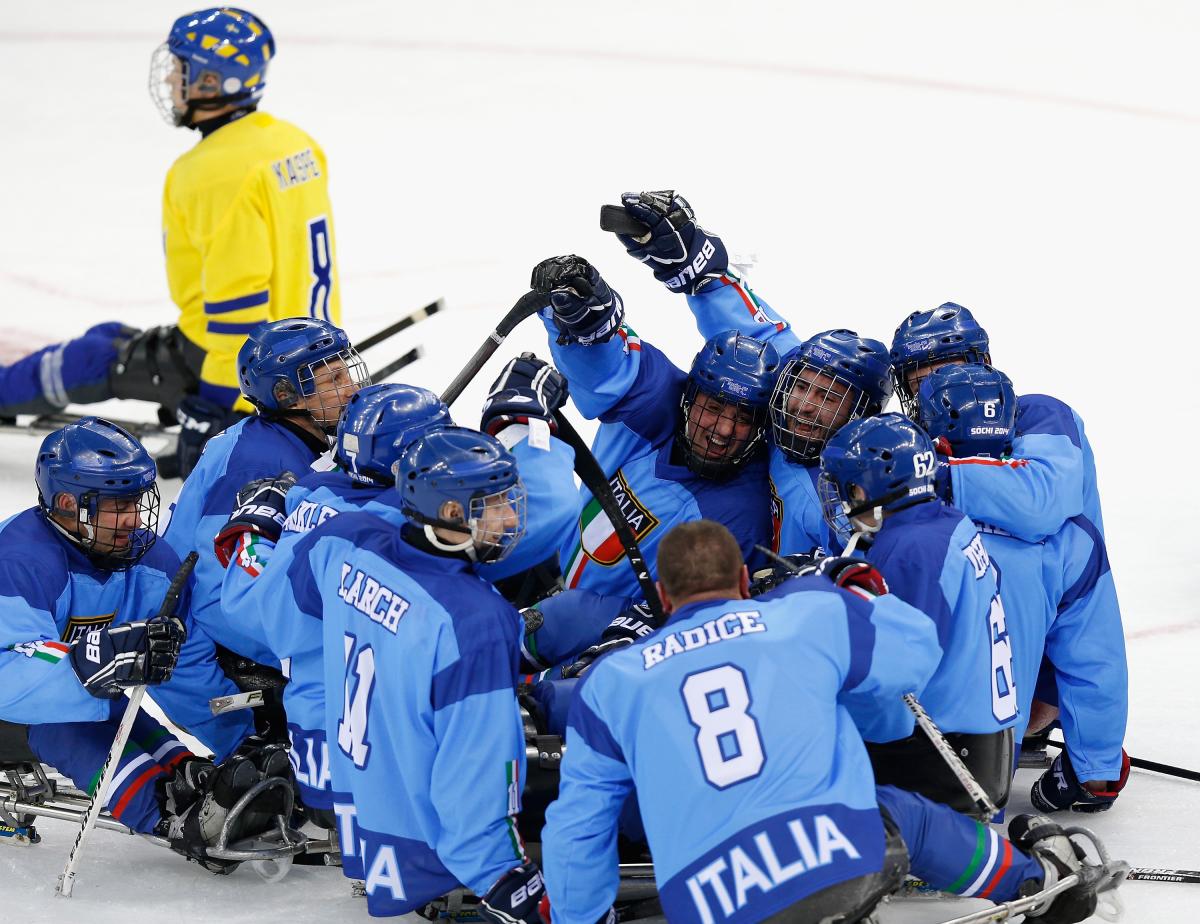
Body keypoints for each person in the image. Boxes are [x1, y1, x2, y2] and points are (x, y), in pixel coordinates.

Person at [541, 520, 1116, 924]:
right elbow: (916, 652)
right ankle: (1038, 884)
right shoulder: (807, 614)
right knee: (902, 815)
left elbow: (577, 830)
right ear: (745, 582)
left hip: (709, 901)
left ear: (664, 598)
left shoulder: (612, 683)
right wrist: (862, 588)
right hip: (839, 861)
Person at [234, 426, 544, 919]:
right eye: (494, 504)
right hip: (435, 848)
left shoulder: (347, 538)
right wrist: (502, 876)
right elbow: (479, 772)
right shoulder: (476, 619)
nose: (509, 518)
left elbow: (276, 616)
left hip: (360, 807)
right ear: (449, 515)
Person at [0, 418, 284, 870]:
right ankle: (172, 816)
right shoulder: (19, 560)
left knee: (128, 725)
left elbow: (185, 670)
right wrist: (89, 662)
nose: (134, 519)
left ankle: (196, 784)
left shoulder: (151, 561)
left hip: (80, 702)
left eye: (137, 502)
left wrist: (242, 741)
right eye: (117, 505)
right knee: (74, 728)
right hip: (19, 709)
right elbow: (7, 673)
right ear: (69, 504)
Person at [606, 191, 893, 555]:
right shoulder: (789, 411)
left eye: (828, 398)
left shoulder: (854, 489)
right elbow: (766, 339)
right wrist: (698, 266)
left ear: (861, 414)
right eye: (802, 387)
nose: (804, 406)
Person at [916, 364, 1129, 812]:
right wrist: (1096, 765)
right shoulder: (1072, 537)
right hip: (992, 773)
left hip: (916, 772)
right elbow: (1097, 662)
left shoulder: (916, 523)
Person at [162, 317, 367, 739]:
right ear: (286, 395)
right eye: (333, 379)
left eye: (347, 370)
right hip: (209, 647)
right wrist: (311, 648)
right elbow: (216, 594)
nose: (352, 388)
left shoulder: (288, 440)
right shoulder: (261, 462)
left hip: (227, 621)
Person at [534, 255, 777, 603]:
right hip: (550, 570)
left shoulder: (741, 520)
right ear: (689, 398)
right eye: (713, 408)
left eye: (742, 419)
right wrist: (578, 320)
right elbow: (608, 363)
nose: (723, 429)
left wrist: (600, 625)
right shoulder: (658, 400)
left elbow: (697, 618)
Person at [819, 413, 1018, 811]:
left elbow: (896, 684)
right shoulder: (946, 522)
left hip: (945, 763)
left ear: (872, 487)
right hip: (983, 746)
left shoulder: (909, 552)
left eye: (849, 488)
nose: (844, 499)